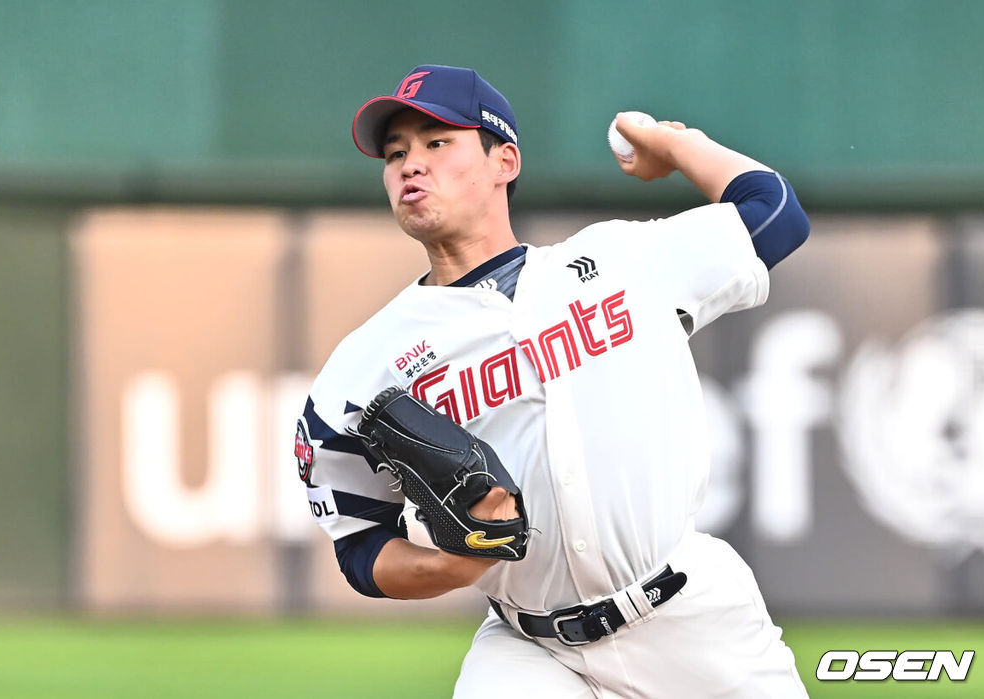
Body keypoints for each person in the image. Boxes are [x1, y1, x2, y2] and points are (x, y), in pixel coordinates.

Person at [295, 64, 810, 697]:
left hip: (693, 623)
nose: (410, 165)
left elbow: (776, 214)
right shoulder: (364, 363)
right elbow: (360, 544)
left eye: (437, 143)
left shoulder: (622, 262)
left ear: (503, 161)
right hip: (530, 651)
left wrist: (674, 144)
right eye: (395, 153)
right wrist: (448, 565)